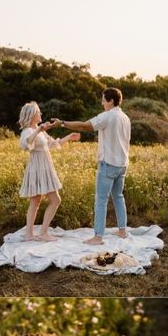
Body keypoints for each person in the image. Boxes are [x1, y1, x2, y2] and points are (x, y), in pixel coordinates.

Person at [53, 88, 131, 245]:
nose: (102, 103)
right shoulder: (125, 117)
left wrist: (62, 123)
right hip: (122, 164)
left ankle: (98, 237)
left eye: (103, 100)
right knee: (118, 197)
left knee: (100, 200)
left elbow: (83, 126)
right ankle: (122, 231)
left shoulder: (107, 116)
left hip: (108, 164)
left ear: (110, 101)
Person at [17, 102, 80, 241]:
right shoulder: (28, 131)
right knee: (53, 200)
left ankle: (30, 234)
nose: (40, 114)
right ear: (32, 115)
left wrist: (69, 137)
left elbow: (53, 144)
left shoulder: (40, 130)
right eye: (38, 112)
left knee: (36, 201)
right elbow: (26, 145)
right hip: (37, 168)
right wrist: (38, 130)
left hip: (45, 166)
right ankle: (42, 233)